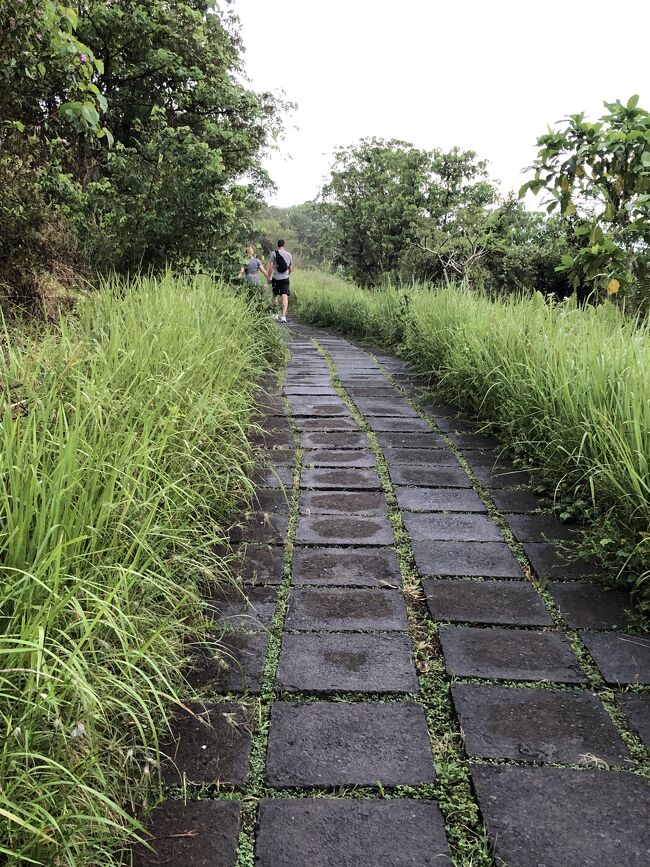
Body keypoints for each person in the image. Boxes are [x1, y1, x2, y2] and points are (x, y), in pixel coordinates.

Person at [267, 239, 292, 323]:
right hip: (285, 278)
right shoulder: (289, 255)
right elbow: (290, 268)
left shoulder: (273, 254)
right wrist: (288, 275)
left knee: (275, 295)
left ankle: (275, 314)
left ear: (277, 245)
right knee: (285, 297)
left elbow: (270, 267)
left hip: (276, 278)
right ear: (284, 245)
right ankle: (283, 316)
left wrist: (268, 277)